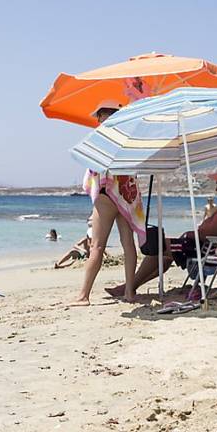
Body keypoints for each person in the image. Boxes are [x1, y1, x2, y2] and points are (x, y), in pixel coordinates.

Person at [105, 163, 217, 298]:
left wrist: (192, 233)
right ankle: (129, 287)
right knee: (166, 255)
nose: (216, 189)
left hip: (207, 250)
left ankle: (128, 287)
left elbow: (206, 234)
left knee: (158, 246)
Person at [70, 100, 143, 307]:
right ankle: (129, 292)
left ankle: (83, 295)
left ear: (102, 117)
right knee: (128, 244)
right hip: (128, 196)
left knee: (97, 246)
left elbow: (94, 167)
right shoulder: (129, 140)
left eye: (99, 118)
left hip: (106, 195)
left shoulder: (100, 139)